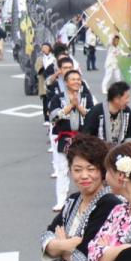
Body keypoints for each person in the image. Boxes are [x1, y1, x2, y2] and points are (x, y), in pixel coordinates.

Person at [51, 69, 95, 211]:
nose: (76, 81)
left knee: (84, 170)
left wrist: (79, 106)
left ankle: (85, 199)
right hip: (64, 137)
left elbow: (92, 116)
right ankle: (61, 201)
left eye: (78, 79)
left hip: (82, 138)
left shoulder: (87, 96)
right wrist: (69, 107)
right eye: (73, 79)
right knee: (63, 169)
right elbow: (53, 117)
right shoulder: (58, 98)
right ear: (66, 82)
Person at [82, 81, 131, 146]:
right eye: (126, 98)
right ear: (116, 99)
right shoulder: (96, 112)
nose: (128, 101)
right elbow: (86, 136)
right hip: (98, 152)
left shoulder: (126, 111)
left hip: (121, 151)